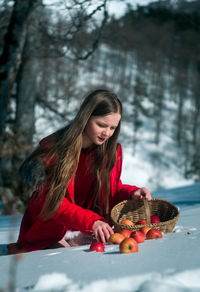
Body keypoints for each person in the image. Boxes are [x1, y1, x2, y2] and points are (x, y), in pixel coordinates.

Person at [7, 89, 152, 254]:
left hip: (85, 231)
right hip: (50, 232)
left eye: (113, 128)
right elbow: (51, 203)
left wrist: (131, 193)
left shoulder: (111, 151)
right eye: (101, 125)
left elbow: (112, 188)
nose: (107, 133)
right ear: (85, 118)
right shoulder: (54, 151)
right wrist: (92, 222)